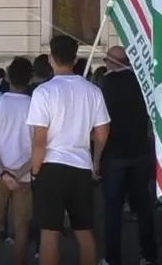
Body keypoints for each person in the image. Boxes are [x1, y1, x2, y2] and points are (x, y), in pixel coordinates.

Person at [27, 36, 110, 265]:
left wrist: (34, 171)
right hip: (81, 165)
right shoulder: (93, 91)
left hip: (51, 167)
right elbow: (102, 133)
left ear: (50, 59)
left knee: (49, 233)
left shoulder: (43, 92)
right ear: (75, 58)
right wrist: (95, 161)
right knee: (84, 232)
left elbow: (39, 140)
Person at [97, 46, 157, 265]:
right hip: (140, 151)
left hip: (114, 154)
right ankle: (148, 255)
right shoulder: (143, 82)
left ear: (112, 62)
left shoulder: (104, 84)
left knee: (113, 211)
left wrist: (96, 158)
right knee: (143, 208)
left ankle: (113, 258)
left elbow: (100, 124)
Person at [0, 57, 35, 265]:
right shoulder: (36, 106)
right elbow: (41, 147)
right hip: (25, 174)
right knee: (21, 227)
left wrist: (3, 172)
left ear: (7, 77)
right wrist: (18, 173)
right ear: (30, 79)